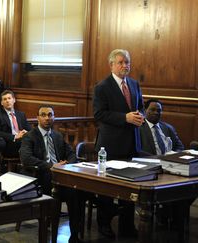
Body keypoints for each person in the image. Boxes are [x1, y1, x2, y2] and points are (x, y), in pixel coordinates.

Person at [93, 49, 144, 238]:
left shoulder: (134, 83)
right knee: (107, 189)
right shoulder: (102, 87)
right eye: (121, 62)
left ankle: (127, 226)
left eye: (127, 62)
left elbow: (141, 107)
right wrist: (125, 117)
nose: (125, 66)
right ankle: (104, 225)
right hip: (111, 146)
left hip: (132, 144)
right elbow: (99, 114)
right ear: (112, 65)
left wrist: (140, 116)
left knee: (130, 189)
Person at [19, 105, 82, 243]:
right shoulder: (30, 136)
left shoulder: (57, 135)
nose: (47, 118)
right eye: (44, 115)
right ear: (38, 117)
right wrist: (52, 166)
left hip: (61, 175)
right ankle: (53, 233)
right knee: (66, 188)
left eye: (50, 115)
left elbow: (71, 153)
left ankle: (74, 235)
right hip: (40, 176)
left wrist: (68, 164)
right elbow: (26, 158)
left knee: (77, 191)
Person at [0, 90, 31, 158]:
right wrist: (15, 137)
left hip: (23, 141)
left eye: (9, 98)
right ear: (2, 103)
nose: (7, 101)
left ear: (14, 100)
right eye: (5, 99)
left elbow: (29, 129)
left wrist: (26, 132)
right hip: (9, 144)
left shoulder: (21, 114)